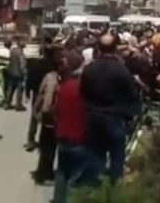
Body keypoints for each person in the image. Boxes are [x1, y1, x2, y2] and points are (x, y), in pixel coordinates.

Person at [80, 31, 138, 183]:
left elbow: (82, 92)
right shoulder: (122, 70)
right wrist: (129, 116)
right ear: (116, 48)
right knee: (116, 160)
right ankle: (113, 189)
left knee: (94, 158)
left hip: (93, 118)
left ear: (99, 48)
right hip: (115, 119)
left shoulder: (90, 69)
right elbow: (131, 95)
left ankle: (94, 189)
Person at [52, 50, 88, 203]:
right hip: (79, 138)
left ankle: (58, 199)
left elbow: (55, 110)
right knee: (76, 176)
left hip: (63, 137)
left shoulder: (64, 87)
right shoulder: (86, 90)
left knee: (62, 172)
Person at [33, 51, 60, 184]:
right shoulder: (54, 79)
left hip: (46, 116)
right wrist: (47, 111)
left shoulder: (48, 76)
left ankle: (43, 173)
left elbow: (40, 94)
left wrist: (36, 110)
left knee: (45, 147)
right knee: (49, 147)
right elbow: (48, 98)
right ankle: (44, 175)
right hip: (50, 116)